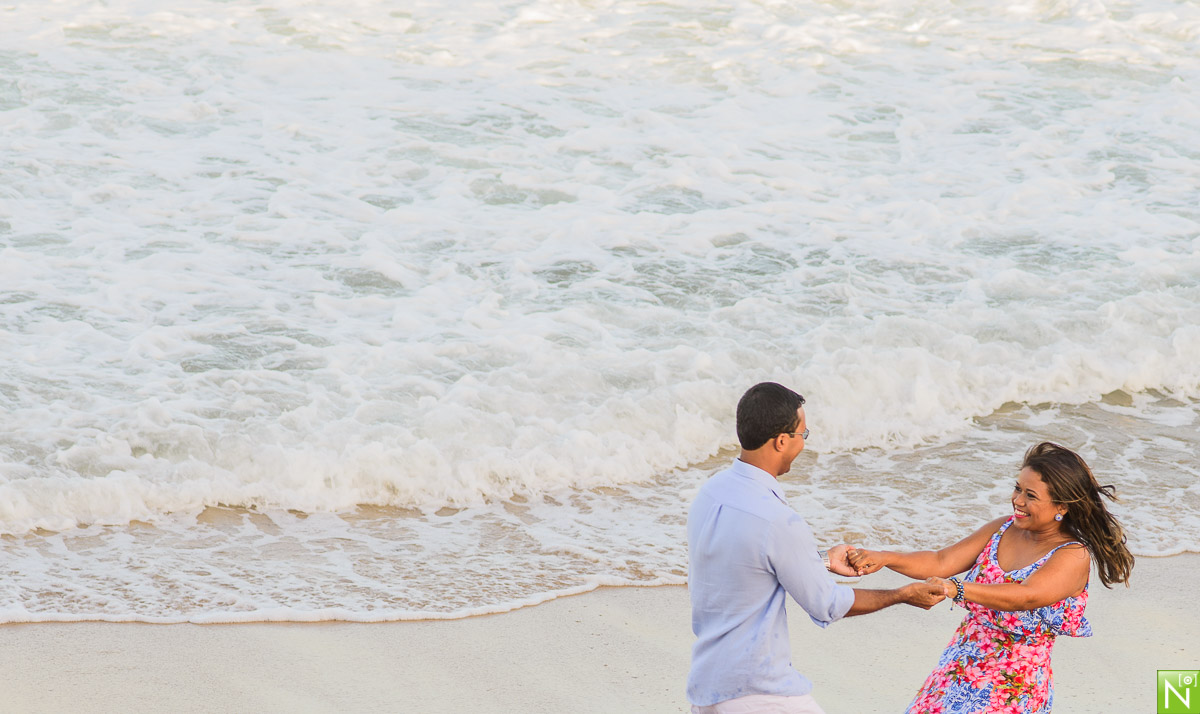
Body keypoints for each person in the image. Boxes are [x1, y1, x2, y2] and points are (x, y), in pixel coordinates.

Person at [687, 382, 946, 714]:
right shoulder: (779, 520)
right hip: (759, 692)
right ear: (782, 441)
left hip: (707, 687)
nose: (803, 444)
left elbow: (743, 563)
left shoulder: (709, 494)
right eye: (802, 435)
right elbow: (827, 604)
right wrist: (902, 594)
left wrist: (820, 561)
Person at [846, 441, 1135, 714]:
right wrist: (885, 557)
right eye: (1017, 488)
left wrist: (955, 588)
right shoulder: (1003, 529)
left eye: (1030, 495)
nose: (1017, 500)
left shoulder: (1072, 554)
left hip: (1011, 688)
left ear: (1062, 506)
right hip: (957, 669)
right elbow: (941, 560)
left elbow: (1026, 596)